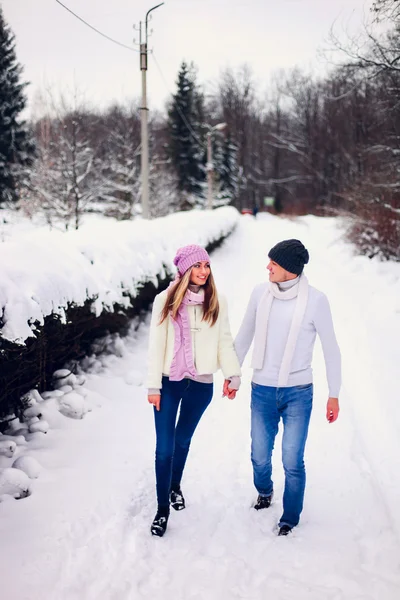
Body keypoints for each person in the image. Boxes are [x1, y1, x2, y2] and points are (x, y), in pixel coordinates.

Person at [234, 239, 341, 536]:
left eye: (274, 263)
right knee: (258, 454)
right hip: (262, 389)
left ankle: (290, 517)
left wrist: (334, 394)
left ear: (290, 270)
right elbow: (244, 335)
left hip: (298, 391)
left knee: (292, 458)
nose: (267, 267)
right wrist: (233, 375)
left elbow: (331, 348)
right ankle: (265, 490)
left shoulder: (316, 301)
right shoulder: (260, 294)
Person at [147, 244, 241, 537]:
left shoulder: (217, 301)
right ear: (184, 270)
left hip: (201, 385)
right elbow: (155, 345)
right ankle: (162, 509)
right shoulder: (165, 300)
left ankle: (175, 486)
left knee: (183, 441)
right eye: (197, 266)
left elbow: (224, 341)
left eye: (206, 266)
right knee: (165, 449)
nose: (203, 271)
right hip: (168, 383)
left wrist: (232, 374)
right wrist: (153, 385)